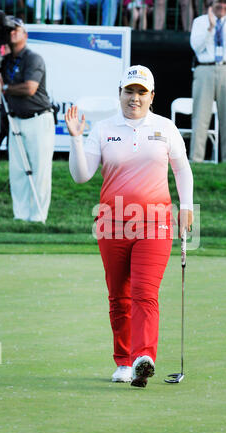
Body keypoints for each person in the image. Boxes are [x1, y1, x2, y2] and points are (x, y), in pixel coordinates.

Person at [65, 65, 194, 388]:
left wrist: (187, 207)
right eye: (129, 91)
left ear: (151, 96)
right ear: (119, 94)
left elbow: (182, 170)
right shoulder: (104, 129)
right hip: (112, 224)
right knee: (118, 297)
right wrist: (77, 140)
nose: (134, 98)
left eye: (141, 92)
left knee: (144, 293)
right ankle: (123, 361)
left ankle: (143, 357)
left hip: (156, 223)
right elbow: (82, 175)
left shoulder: (165, 128)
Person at [0, 18, 55, 222]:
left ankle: (38, 217)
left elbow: (30, 88)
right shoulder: (5, 61)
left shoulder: (33, 58)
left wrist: (4, 88)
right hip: (16, 120)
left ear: (25, 34)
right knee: (18, 171)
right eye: (9, 30)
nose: (12, 32)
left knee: (40, 171)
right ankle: (20, 217)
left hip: (38, 119)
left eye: (17, 29)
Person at [189, 0, 226, 163]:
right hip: (205, 69)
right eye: (219, 3)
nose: (222, 6)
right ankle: (196, 159)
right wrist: (210, 28)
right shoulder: (200, 22)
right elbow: (196, 47)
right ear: (211, 4)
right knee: (200, 117)